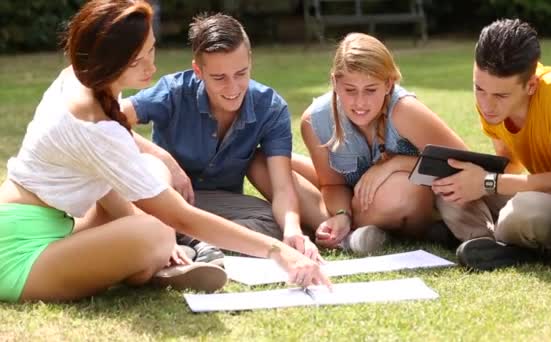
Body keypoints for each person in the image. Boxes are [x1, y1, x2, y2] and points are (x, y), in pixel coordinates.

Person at [0, 0, 329, 303]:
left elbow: (110, 164)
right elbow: (178, 215)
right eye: (138, 60)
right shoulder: (95, 124)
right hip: (19, 252)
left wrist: (163, 160)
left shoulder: (78, 79)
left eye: (151, 51)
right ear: (110, 61)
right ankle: (155, 259)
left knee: (152, 194)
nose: (151, 66)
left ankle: (156, 259)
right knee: (155, 230)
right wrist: (278, 252)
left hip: (53, 227)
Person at [121, 13, 321, 264]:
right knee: (135, 213)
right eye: (219, 78)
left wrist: (292, 230)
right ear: (198, 71)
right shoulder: (173, 91)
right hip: (165, 199)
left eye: (241, 73)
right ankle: (186, 240)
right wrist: (165, 159)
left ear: (250, 61)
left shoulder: (270, 108)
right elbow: (105, 118)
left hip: (217, 203)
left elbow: (282, 188)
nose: (232, 87)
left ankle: (196, 244)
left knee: (274, 221)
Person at [433, 18, 551, 270]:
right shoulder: (492, 103)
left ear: (531, 85)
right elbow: (511, 168)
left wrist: (488, 182)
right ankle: (490, 242)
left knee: (525, 212)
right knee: (450, 189)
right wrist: (472, 181)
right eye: (479, 89)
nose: (486, 104)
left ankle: (515, 244)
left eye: (501, 95)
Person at [295, 32, 468, 255]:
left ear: (388, 84)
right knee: (272, 164)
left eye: (370, 90)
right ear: (335, 83)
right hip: (353, 198)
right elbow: (332, 184)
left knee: (402, 189)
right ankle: (346, 229)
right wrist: (341, 213)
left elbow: (463, 160)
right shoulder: (314, 120)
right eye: (350, 90)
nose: (359, 103)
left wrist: (393, 165)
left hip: (403, 199)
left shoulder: (404, 110)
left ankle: (350, 233)